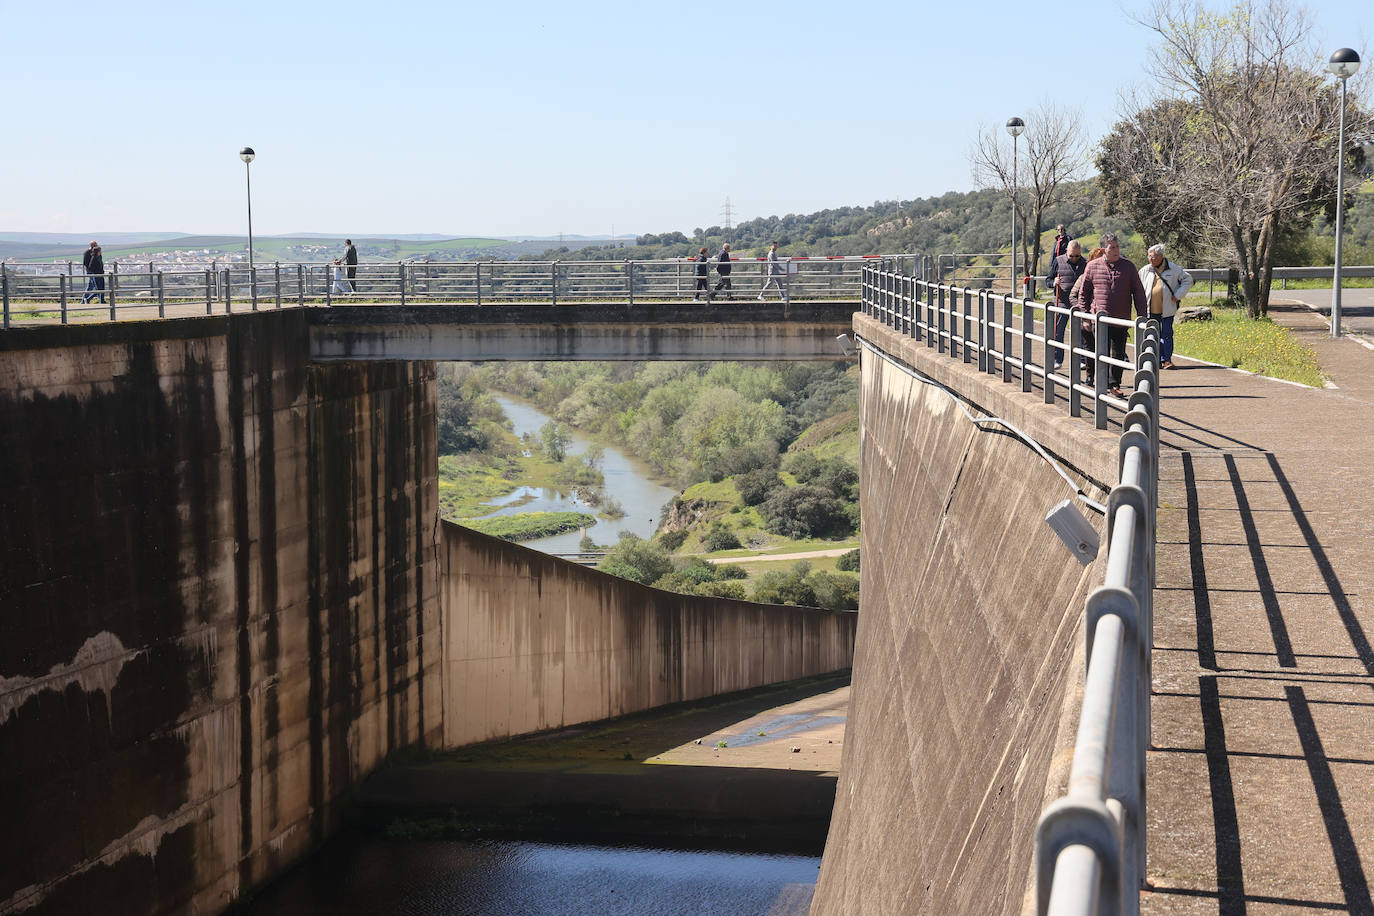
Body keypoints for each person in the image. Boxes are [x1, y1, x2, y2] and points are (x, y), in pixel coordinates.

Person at [1079, 233, 1146, 398]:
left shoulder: (1128, 267)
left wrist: (1143, 317)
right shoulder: (1092, 266)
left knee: (1118, 353)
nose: (1116, 250)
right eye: (1112, 247)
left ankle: (1114, 384)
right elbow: (1083, 294)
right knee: (1102, 352)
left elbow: (1138, 293)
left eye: (1117, 246)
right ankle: (1102, 383)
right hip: (1099, 319)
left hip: (1121, 319)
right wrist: (1086, 317)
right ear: (1103, 250)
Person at [1138, 243, 1193, 370]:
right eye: (1149, 256)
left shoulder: (1174, 269)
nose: (1150, 259)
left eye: (1153, 256)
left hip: (1167, 309)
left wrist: (1178, 295)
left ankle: (1166, 360)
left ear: (1161, 256)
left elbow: (1188, 280)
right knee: (1152, 335)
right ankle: (1154, 360)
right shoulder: (1145, 270)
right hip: (1149, 310)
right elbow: (1138, 286)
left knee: (1167, 334)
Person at [1043, 239, 1086, 368]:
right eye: (1071, 255)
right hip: (1061, 303)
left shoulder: (1085, 263)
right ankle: (1057, 359)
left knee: (1082, 333)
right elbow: (1048, 280)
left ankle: (1082, 360)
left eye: (1077, 256)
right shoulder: (1058, 261)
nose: (1074, 258)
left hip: (1078, 304)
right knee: (1058, 332)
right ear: (1066, 252)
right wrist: (1053, 283)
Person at [1070, 247, 1105, 385]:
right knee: (1091, 348)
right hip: (1088, 320)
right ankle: (1090, 376)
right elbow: (1073, 295)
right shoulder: (1083, 277)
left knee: (1105, 350)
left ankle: (1106, 380)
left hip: (1103, 319)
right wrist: (1083, 311)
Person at [81, 240, 106, 304]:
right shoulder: (88, 253)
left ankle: (85, 300)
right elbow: (86, 263)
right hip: (92, 272)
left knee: (93, 287)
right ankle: (87, 300)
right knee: (96, 287)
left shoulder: (97, 254)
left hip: (97, 272)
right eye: (95, 245)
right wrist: (91, 270)